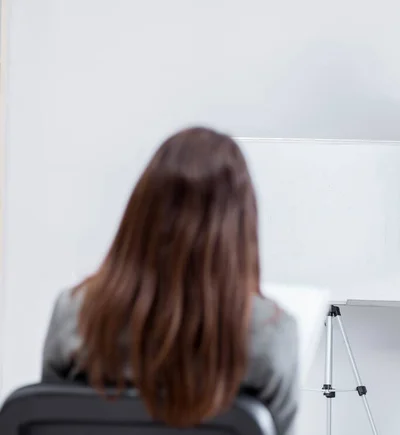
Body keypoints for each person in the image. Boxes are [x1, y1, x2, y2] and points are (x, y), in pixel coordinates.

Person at [40, 127, 299, 434]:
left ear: (141, 214)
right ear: (240, 226)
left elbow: (48, 424)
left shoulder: (75, 316)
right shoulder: (267, 334)